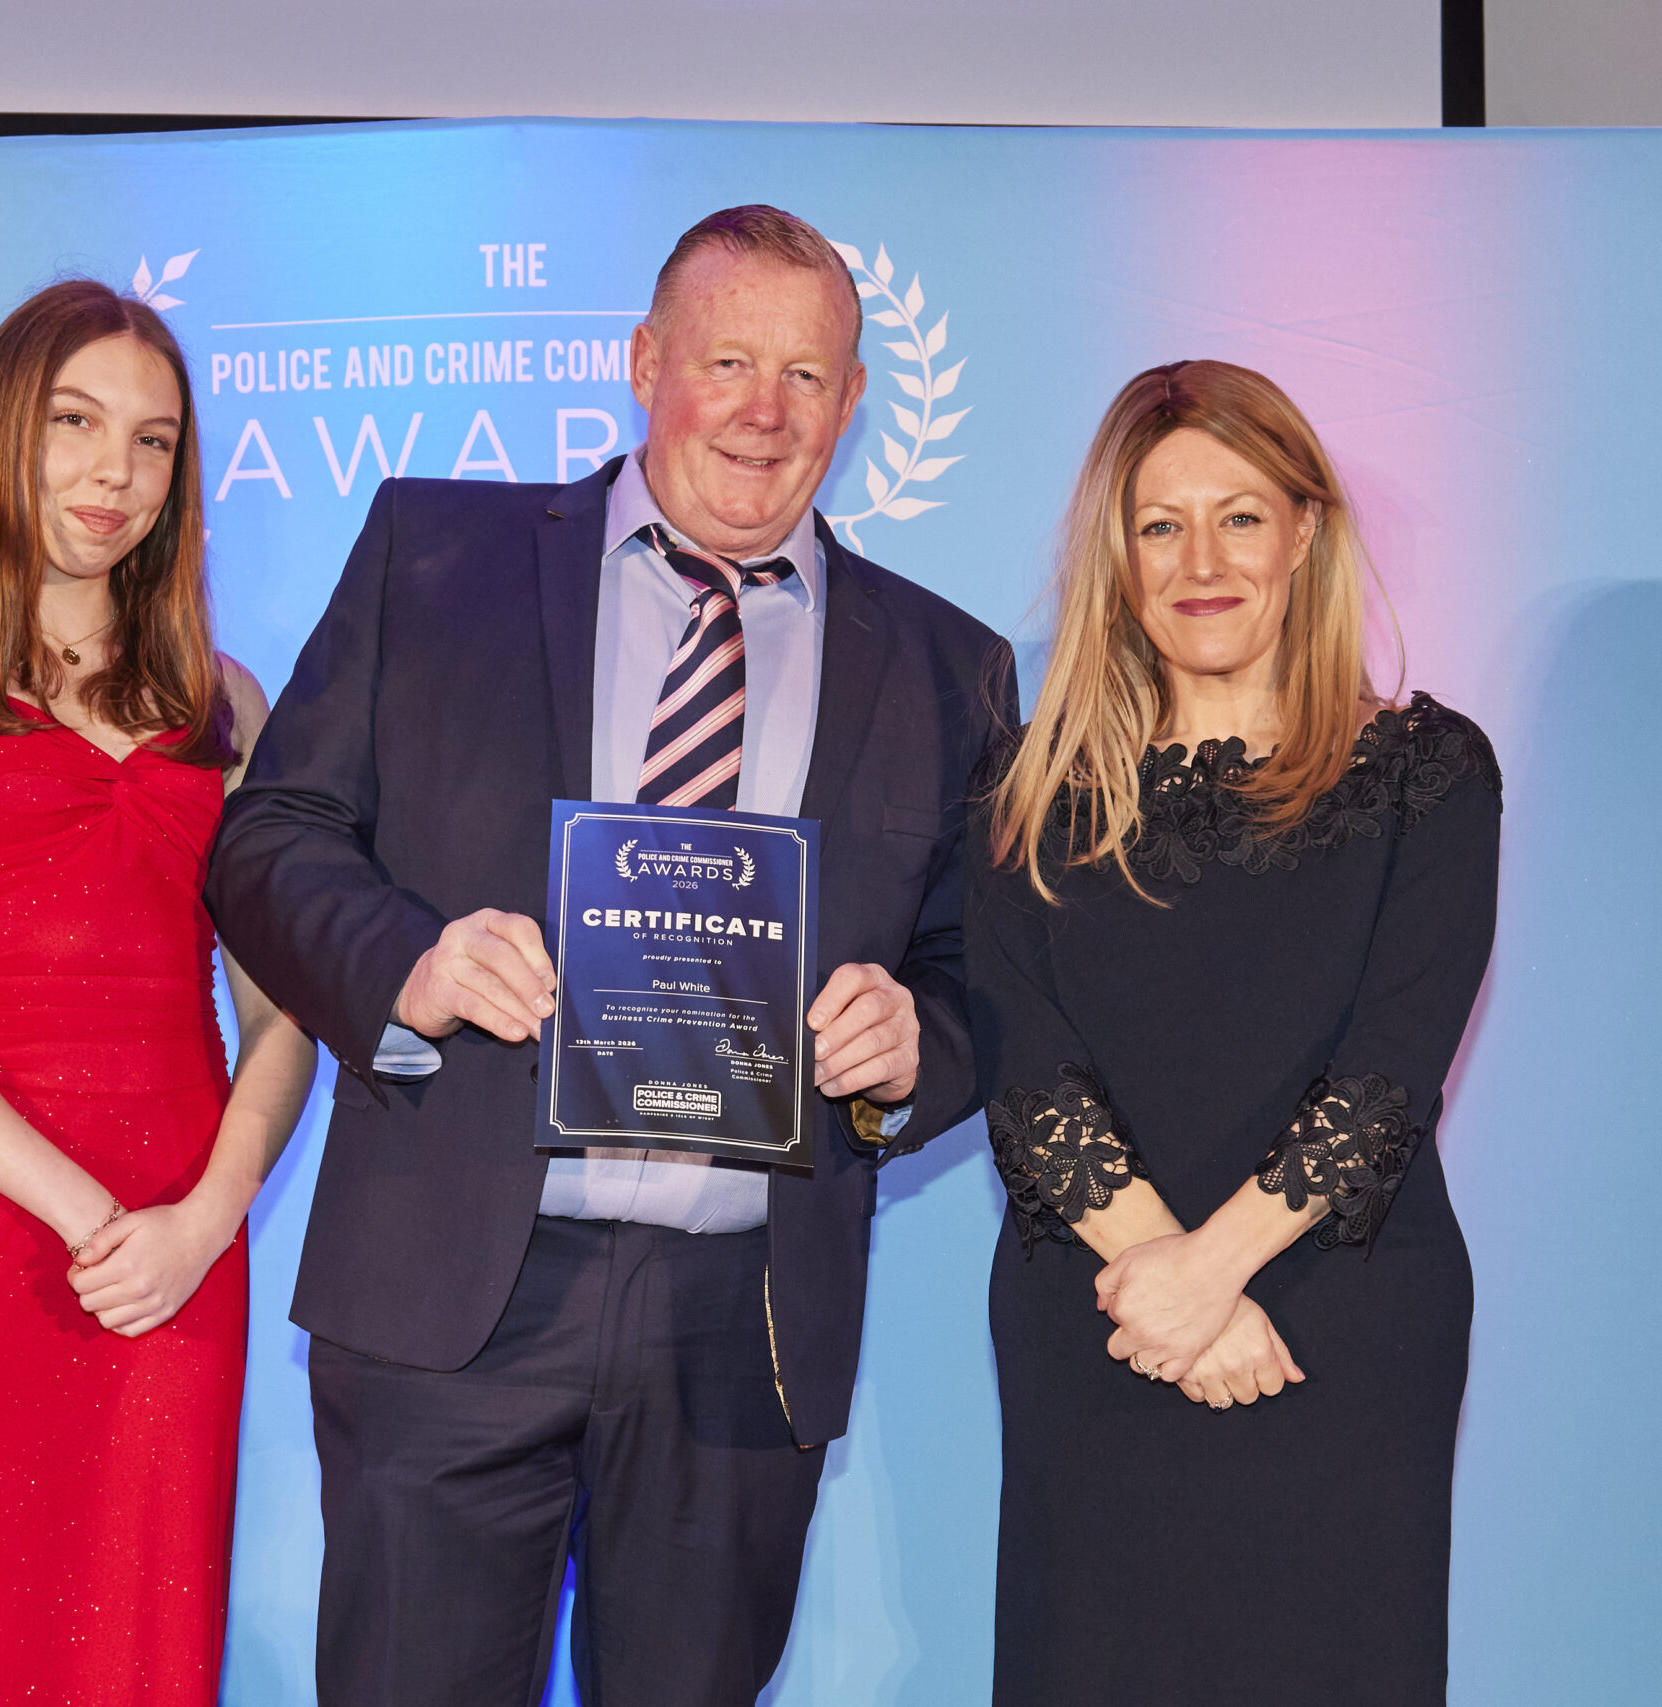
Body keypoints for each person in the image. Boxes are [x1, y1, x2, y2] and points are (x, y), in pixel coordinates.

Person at [206, 204, 1014, 1705]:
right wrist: (409, 967)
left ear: (852, 400)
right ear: (647, 364)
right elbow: (269, 839)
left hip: (743, 1321)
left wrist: (918, 1046)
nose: (764, 411)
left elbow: (984, 975)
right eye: (726, 361)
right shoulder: (435, 554)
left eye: (808, 375)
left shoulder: (946, 665)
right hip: (454, 1291)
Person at [0, 279, 317, 1705]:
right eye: (75, 423)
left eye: (154, 442)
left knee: (140, 1650)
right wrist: (87, 1214)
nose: (114, 473)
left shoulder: (229, 705)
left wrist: (206, 1219)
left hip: (177, 1248)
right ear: (1, 432)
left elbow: (284, 1017)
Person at [967, 359, 1498, 1703]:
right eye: (1161, 525)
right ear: (1119, 556)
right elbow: (1025, 1071)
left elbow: (1391, 1072)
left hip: (1345, 1326)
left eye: (1241, 517)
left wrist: (1213, 1273)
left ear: (1305, 531)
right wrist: (1169, 1282)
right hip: (1101, 1320)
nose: (1201, 562)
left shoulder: (1428, 775)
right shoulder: (1029, 790)